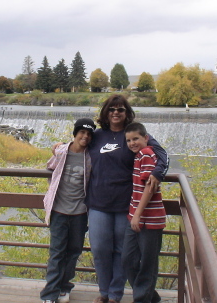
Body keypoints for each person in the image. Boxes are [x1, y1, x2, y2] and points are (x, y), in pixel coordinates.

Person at [85, 95, 168, 303]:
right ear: (105, 112)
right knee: (100, 251)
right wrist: (58, 148)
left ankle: (115, 295)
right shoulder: (96, 136)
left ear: (126, 112)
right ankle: (104, 292)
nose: (115, 112)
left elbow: (161, 154)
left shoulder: (135, 134)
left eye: (120, 109)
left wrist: (157, 174)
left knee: (123, 253)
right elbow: (76, 147)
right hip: (98, 203)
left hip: (126, 205)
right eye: (111, 109)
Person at [40, 118, 96, 303]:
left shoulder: (91, 156)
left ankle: (64, 286)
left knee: (73, 252)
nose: (85, 136)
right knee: (57, 252)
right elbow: (50, 165)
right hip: (59, 211)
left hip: (80, 213)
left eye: (88, 134)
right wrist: (56, 147)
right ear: (75, 133)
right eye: (82, 132)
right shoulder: (62, 151)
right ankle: (49, 294)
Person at [122, 122, 166, 303]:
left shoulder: (147, 154)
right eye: (129, 140)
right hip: (135, 218)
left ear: (146, 138)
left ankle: (142, 299)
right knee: (127, 260)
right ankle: (150, 297)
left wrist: (138, 214)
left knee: (147, 263)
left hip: (150, 220)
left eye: (136, 139)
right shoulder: (139, 155)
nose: (132, 143)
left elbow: (150, 187)